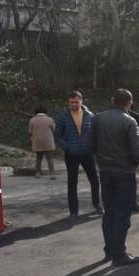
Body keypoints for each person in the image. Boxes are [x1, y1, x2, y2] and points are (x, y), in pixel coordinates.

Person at [90, 89, 139, 266]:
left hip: (105, 171)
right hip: (124, 172)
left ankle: (109, 250)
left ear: (113, 100)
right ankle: (119, 254)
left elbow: (90, 145)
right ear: (129, 102)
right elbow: (138, 152)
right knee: (122, 213)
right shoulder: (130, 121)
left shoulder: (97, 118)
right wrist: (134, 162)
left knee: (109, 212)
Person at [54, 90, 102, 222]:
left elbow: (95, 134)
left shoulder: (90, 116)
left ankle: (97, 204)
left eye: (76, 102)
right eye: (71, 102)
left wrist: (93, 147)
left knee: (94, 179)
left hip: (87, 153)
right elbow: (58, 135)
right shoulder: (63, 116)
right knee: (72, 183)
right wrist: (67, 147)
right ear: (68, 102)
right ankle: (73, 211)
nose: (74, 104)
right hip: (71, 154)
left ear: (81, 101)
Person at [29, 106, 56, 179]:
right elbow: (53, 129)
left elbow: (30, 132)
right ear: (45, 112)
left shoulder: (32, 120)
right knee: (50, 158)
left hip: (37, 141)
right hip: (48, 141)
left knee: (39, 158)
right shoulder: (50, 119)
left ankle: (37, 173)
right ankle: (52, 174)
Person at [128, 105, 139, 212]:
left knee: (131, 179)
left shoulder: (135, 116)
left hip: (130, 154)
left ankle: (133, 202)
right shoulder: (110, 115)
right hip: (117, 153)